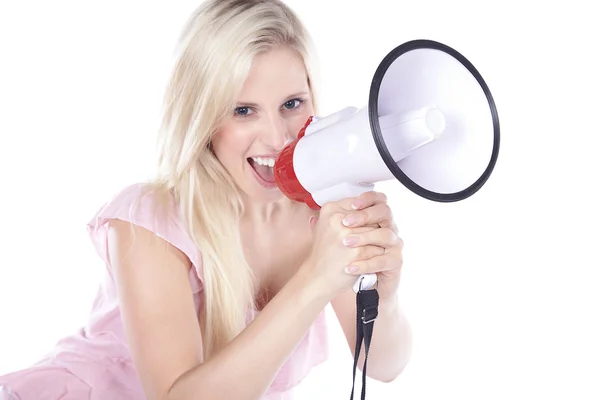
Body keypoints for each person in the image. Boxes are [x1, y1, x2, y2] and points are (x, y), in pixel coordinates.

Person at [0, 0, 412, 399]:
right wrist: (314, 282)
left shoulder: (319, 213)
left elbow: (384, 366)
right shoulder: (150, 221)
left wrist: (385, 297)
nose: (278, 137)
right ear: (202, 117)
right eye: (243, 110)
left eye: (291, 104)